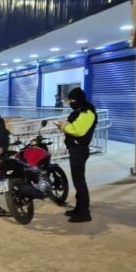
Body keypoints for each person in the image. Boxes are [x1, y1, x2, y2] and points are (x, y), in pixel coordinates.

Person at [55, 87, 97, 223]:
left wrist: (63, 126)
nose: (71, 103)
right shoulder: (79, 111)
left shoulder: (87, 113)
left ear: (79, 99)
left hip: (80, 150)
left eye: (72, 100)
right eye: (70, 100)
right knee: (78, 181)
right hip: (75, 149)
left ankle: (84, 213)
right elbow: (73, 124)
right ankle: (79, 208)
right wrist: (64, 124)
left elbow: (78, 130)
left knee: (79, 182)